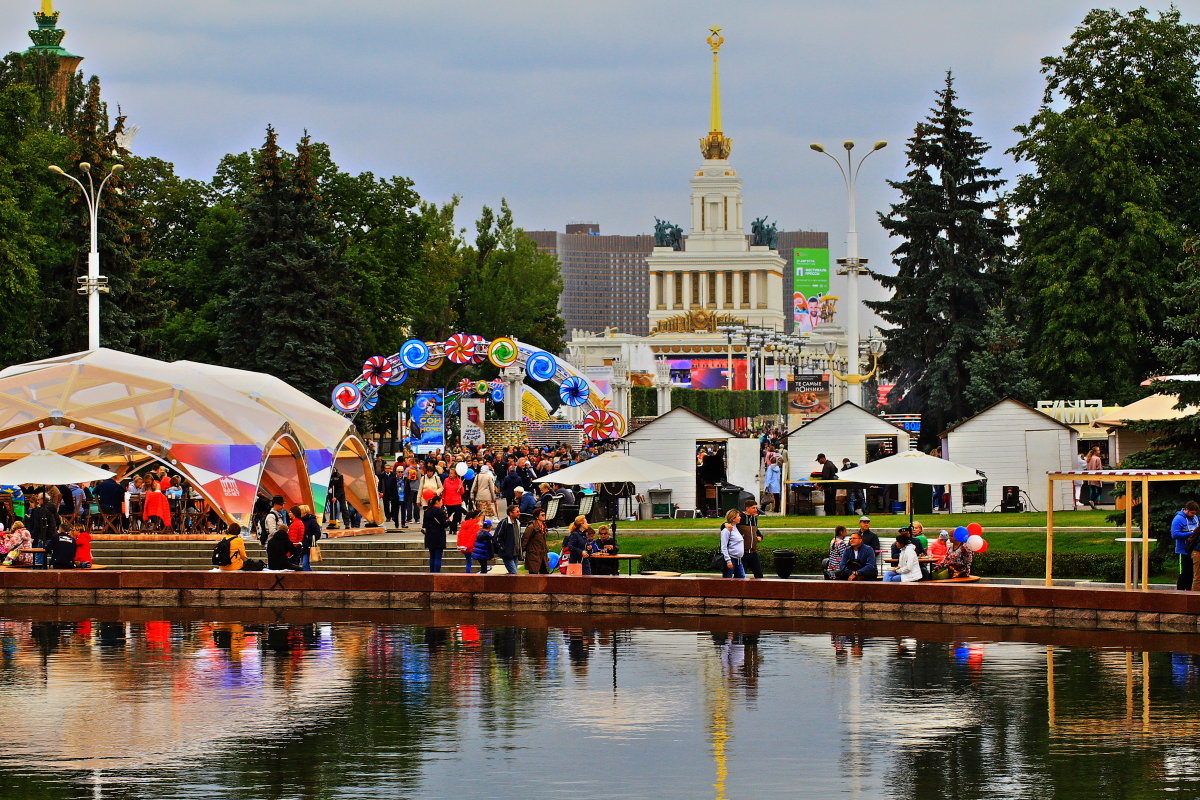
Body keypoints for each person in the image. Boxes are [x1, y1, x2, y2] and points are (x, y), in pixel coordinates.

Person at [1171, 500, 1200, 591]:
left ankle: (1189, 592)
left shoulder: (1195, 517)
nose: (1193, 515)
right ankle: (1180, 593)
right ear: (1186, 510)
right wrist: (1190, 533)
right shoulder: (1178, 519)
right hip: (1183, 550)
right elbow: (1174, 535)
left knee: (1192, 573)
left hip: (1194, 550)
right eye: (1191, 513)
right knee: (1183, 573)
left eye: (1195, 513)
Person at [422, 495, 450, 573]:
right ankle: (436, 573)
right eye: (441, 501)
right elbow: (444, 524)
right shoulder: (440, 512)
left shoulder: (427, 511)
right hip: (438, 536)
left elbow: (424, 525)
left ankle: (431, 573)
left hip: (429, 536)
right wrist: (449, 520)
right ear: (437, 502)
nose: (442, 503)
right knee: (438, 557)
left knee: (432, 556)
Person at [493, 503, 523, 574]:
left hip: (515, 553)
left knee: (513, 574)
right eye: (517, 511)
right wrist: (504, 549)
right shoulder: (504, 522)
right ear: (511, 513)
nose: (519, 513)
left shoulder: (518, 523)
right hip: (507, 553)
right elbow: (497, 538)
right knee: (514, 572)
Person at [739, 500, 765, 579]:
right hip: (743, 553)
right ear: (747, 508)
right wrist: (725, 525)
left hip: (753, 552)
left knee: (759, 575)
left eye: (756, 508)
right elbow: (727, 524)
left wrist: (760, 537)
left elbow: (756, 531)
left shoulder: (754, 519)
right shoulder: (740, 517)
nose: (755, 510)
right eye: (753, 508)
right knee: (741, 575)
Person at [522, 507, 550, 574]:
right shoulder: (531, 527)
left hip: (542, 554)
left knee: (545, 573)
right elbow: (525, 539)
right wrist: (522, 551)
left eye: (544, 515)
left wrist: (546, 553)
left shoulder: (543, 526)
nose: (544, 516)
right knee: (533, 573)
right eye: (542, 515)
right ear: (537, 517)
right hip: (533, 554)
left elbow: (543, 541)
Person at [719, 509, 745, 578]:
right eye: (738, 516)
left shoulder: (737, 528)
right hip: (731, 559)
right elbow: (723, 547)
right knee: (728, 580)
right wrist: (728, 560)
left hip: (739, 560)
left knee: (741, 579)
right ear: (733, 519)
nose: (740, 517)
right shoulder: (726, 530)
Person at [300, 505, 322, 571]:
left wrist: (309, 539)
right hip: (301, 545)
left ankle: (310, 577)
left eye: (300, 511)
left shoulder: (312, 521)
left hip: (308, 545)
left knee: (305, 564)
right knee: (304, 564)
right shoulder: (300, 520)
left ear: (304, 512)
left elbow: (318, 533)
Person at [379, 463, 400, 528]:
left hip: (392, 492)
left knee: (393, 505)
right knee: (386, 505)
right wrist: (380, 491)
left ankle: (392, 515)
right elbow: (380, 483)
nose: (387, 470)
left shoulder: (393, 475)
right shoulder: (382, 475)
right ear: (384, 469)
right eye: (386, 469)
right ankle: (388, 517)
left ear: (390, 469)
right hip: (385, 492)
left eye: (388, 468)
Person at [287, 505, 307, 570]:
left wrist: (288, 553)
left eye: (290, 512)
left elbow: (292, 539)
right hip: (298, 547)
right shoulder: (300, 522)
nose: (289, 513)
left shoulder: (295, 524)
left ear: (294, 513)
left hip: (293, 550)